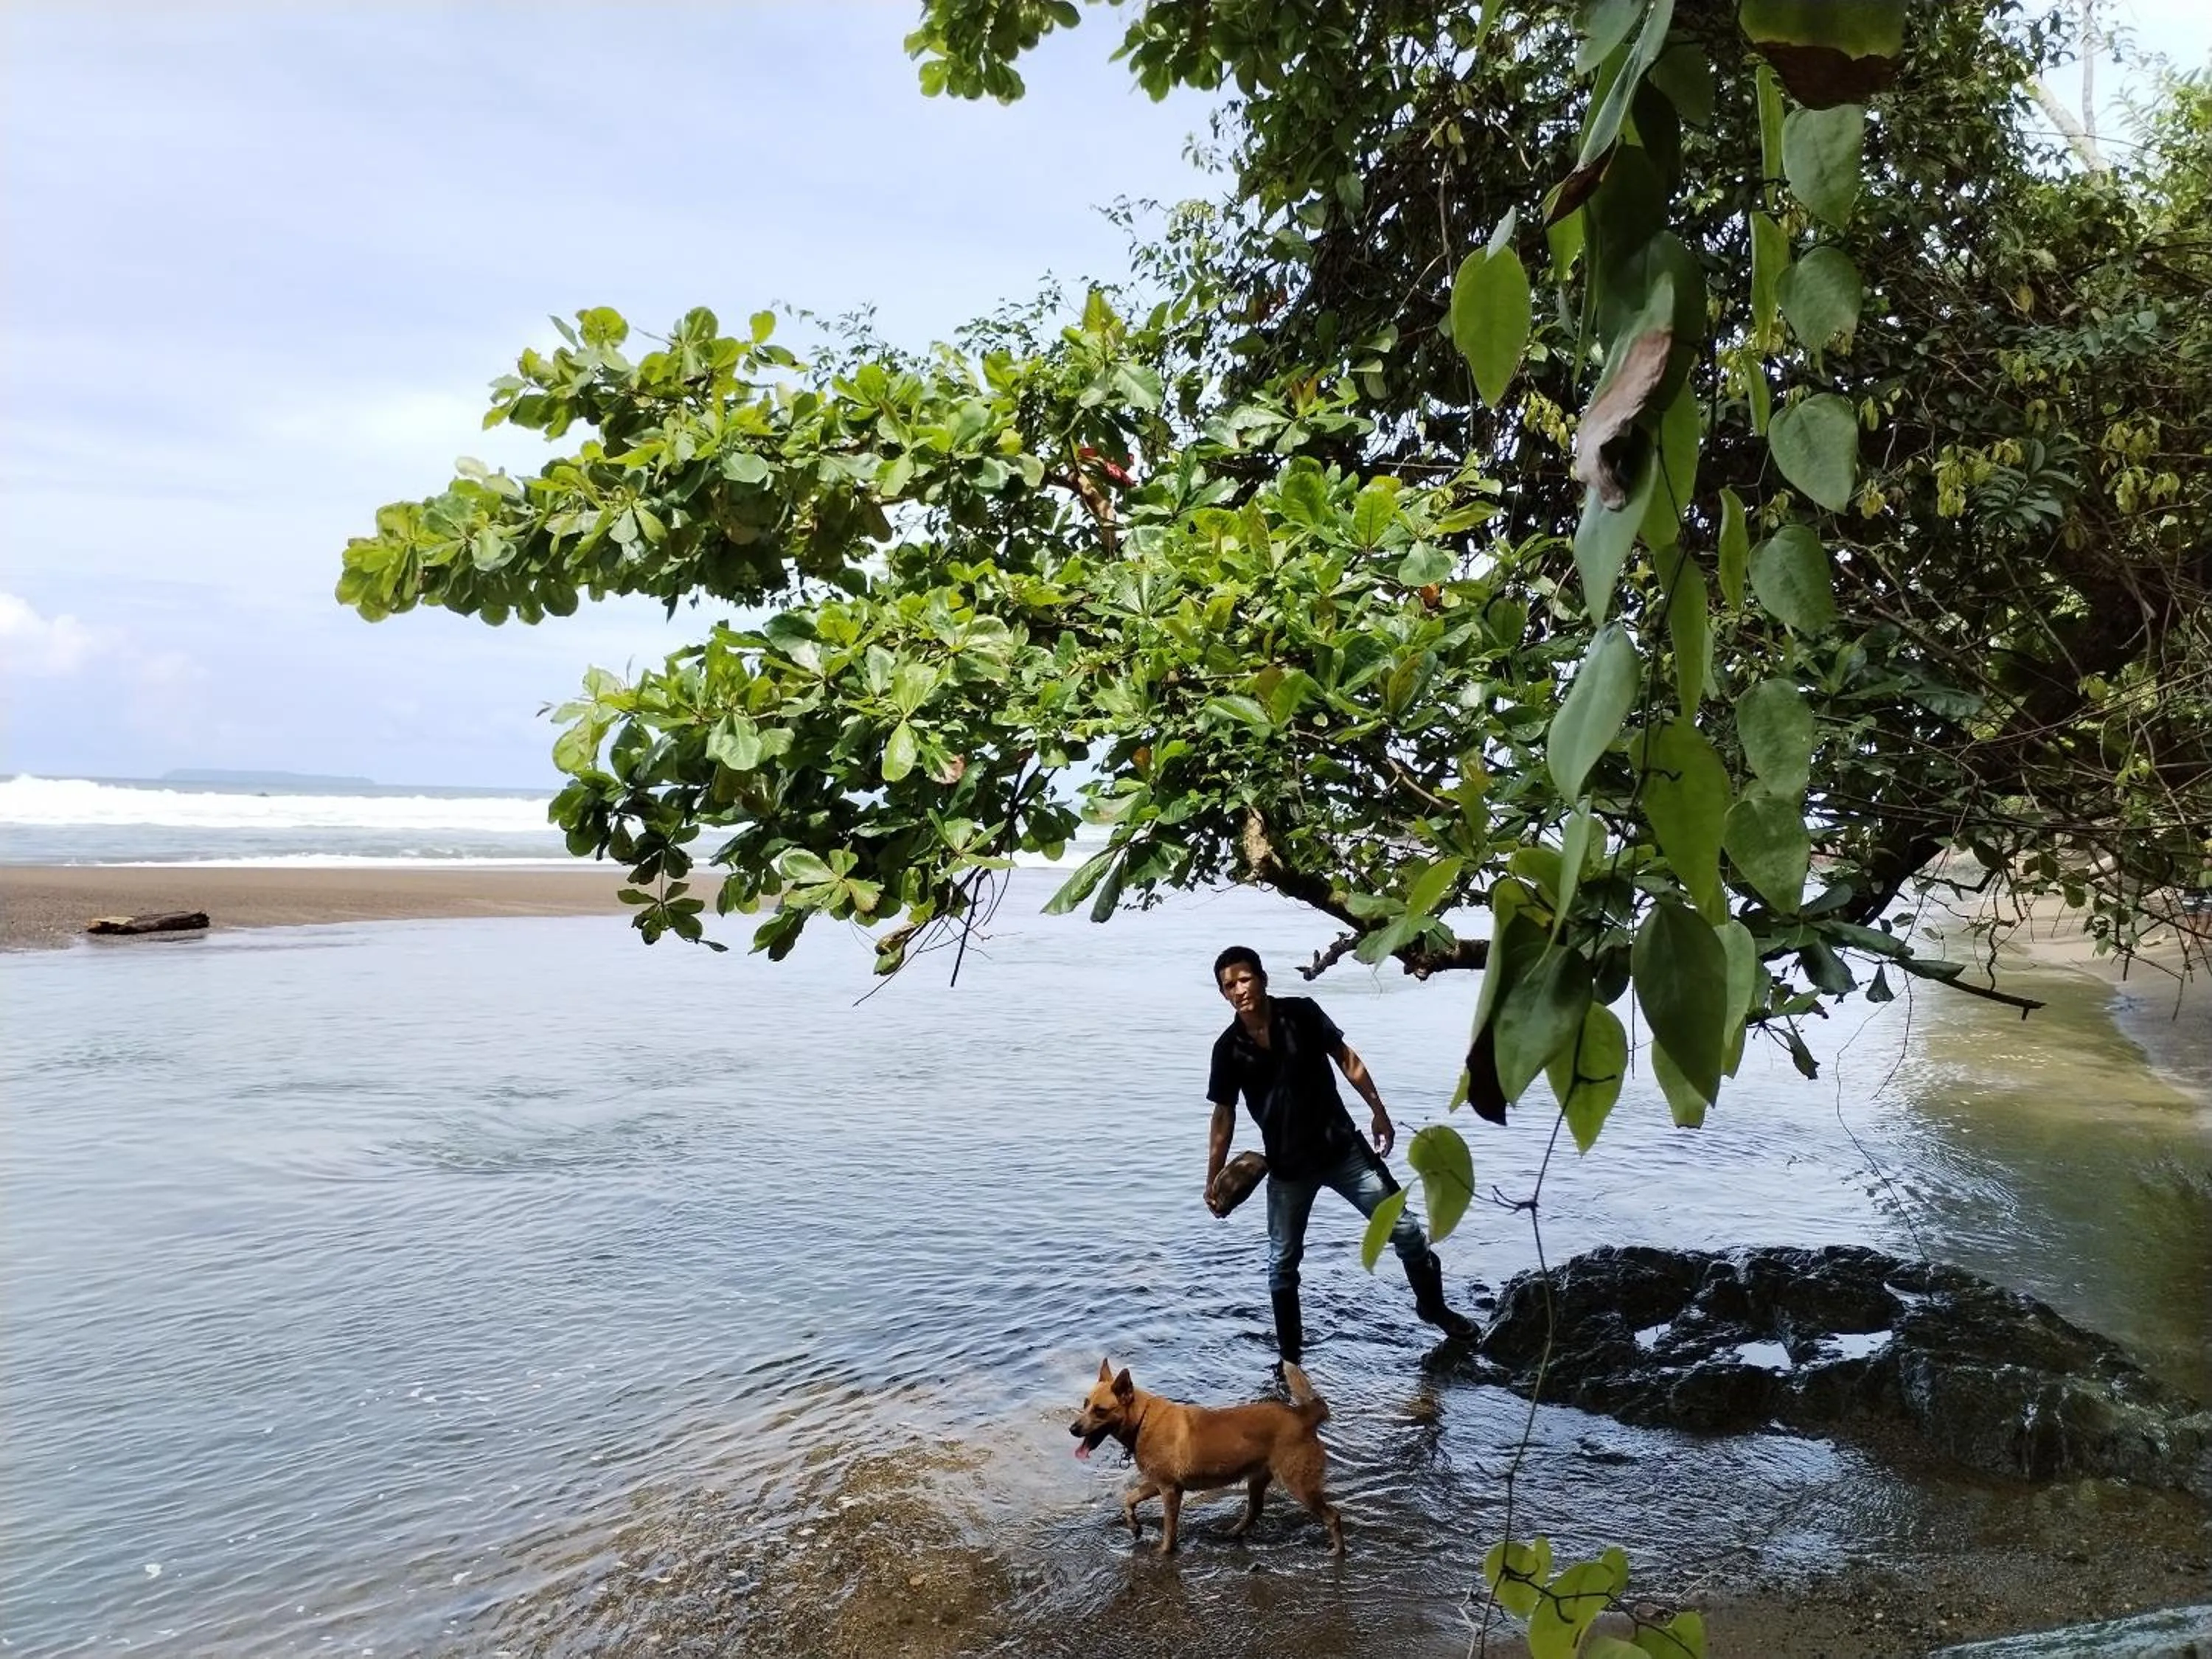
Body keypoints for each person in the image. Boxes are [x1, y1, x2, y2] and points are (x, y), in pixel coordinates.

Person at [1203, 945, 1477, 1365]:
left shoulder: (1302, 1013)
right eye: (1229, 986)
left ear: (1262, 979)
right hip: (1288, 1168)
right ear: (1223, 994)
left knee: (1406, 1232)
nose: (1239, 990)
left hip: (1344, 1152)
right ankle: (1290, 1361)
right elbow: (1224, 1115)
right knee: (1282, 1264)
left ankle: (1434, 1308)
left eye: (1245, 979)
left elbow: (1347, 1059)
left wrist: (1379, 1112)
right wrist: (1213, 1178)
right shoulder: (1228, 1049)